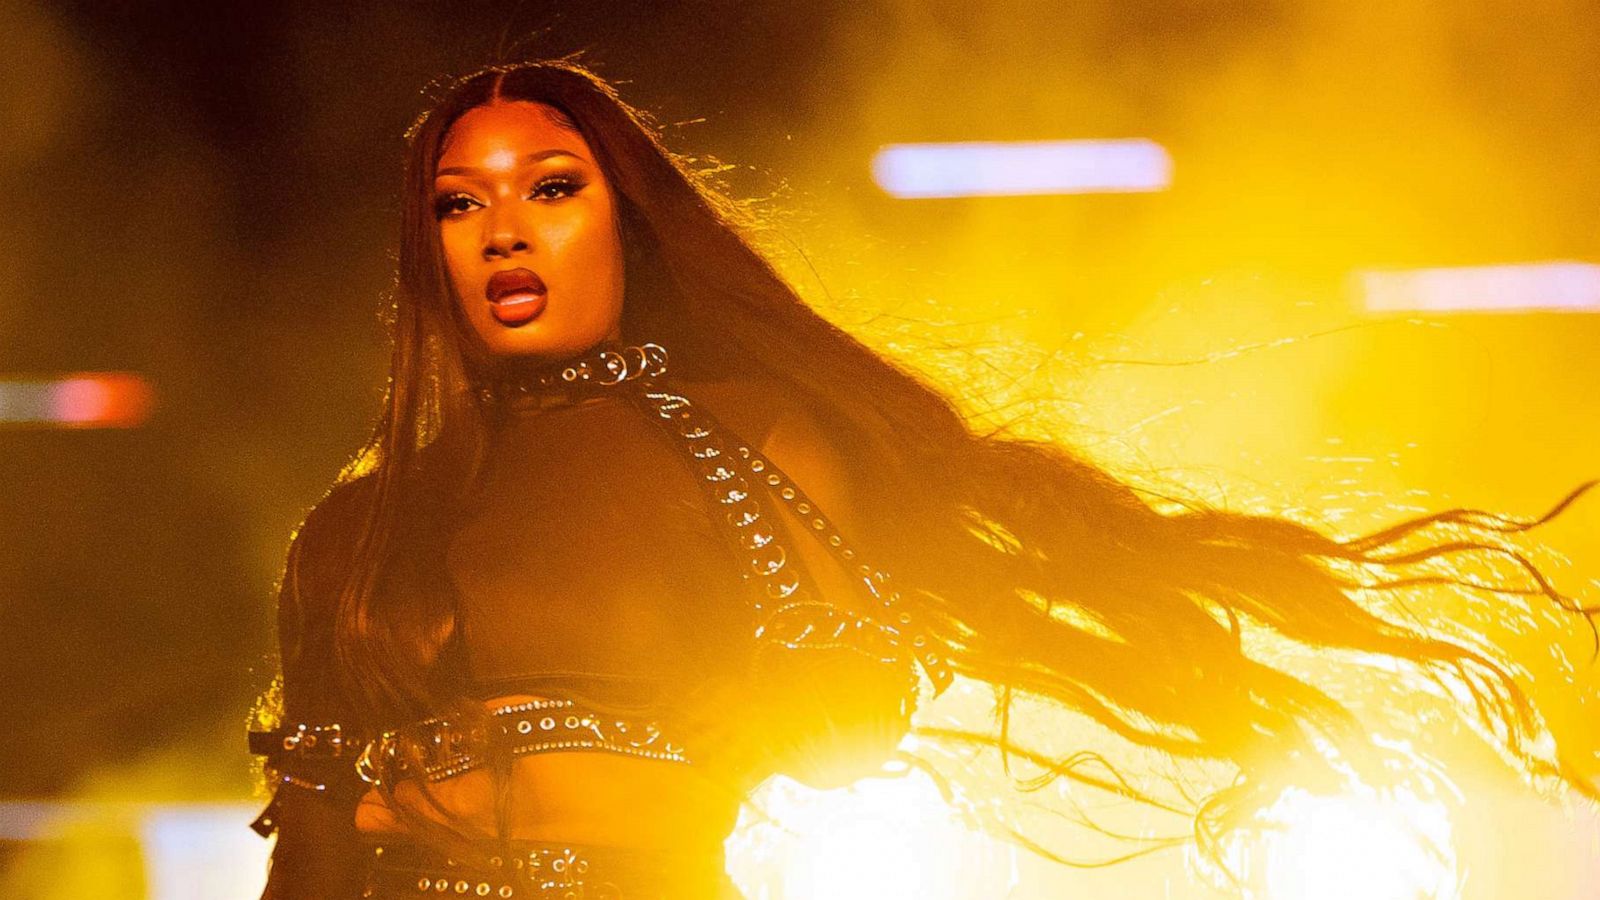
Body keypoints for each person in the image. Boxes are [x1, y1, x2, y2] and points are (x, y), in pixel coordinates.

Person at [248, 59, 1596, 899]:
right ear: (425, 250)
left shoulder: (741, 439)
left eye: (550, 187)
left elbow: (844, 722)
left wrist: (766, 690)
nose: (502, 231)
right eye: (457, 201)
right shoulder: (357, 530)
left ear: (626, 220)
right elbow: (304, 858)